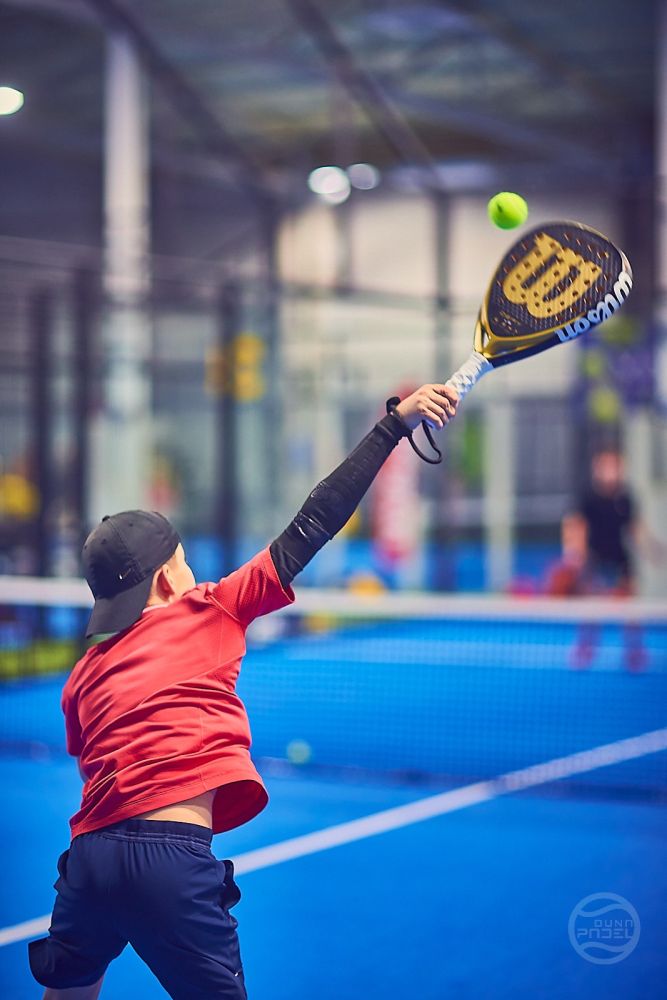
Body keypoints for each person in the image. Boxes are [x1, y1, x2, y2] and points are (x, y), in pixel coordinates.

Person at [28, 383, 459, 1000]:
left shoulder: (84, 673)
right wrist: (393, 427)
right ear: (167, 578)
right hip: (170, 861)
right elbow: (314, 522)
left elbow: (92, 760)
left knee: (68, 995)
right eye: (183, 559)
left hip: (89, 858)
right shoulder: (212, 607)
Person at [548, 449, 644, 670]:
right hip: (595, 560)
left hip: (620, 560)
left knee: (630, 610)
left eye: (614, 466)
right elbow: (576, 526)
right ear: (597, 469)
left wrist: (655, 551)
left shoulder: (626, 498)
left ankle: (635, 652)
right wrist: (575, 554)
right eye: (605, 466)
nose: (610, 471)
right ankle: (585, 648)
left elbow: (635, 530)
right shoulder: (588, 498)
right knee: (591, 609)